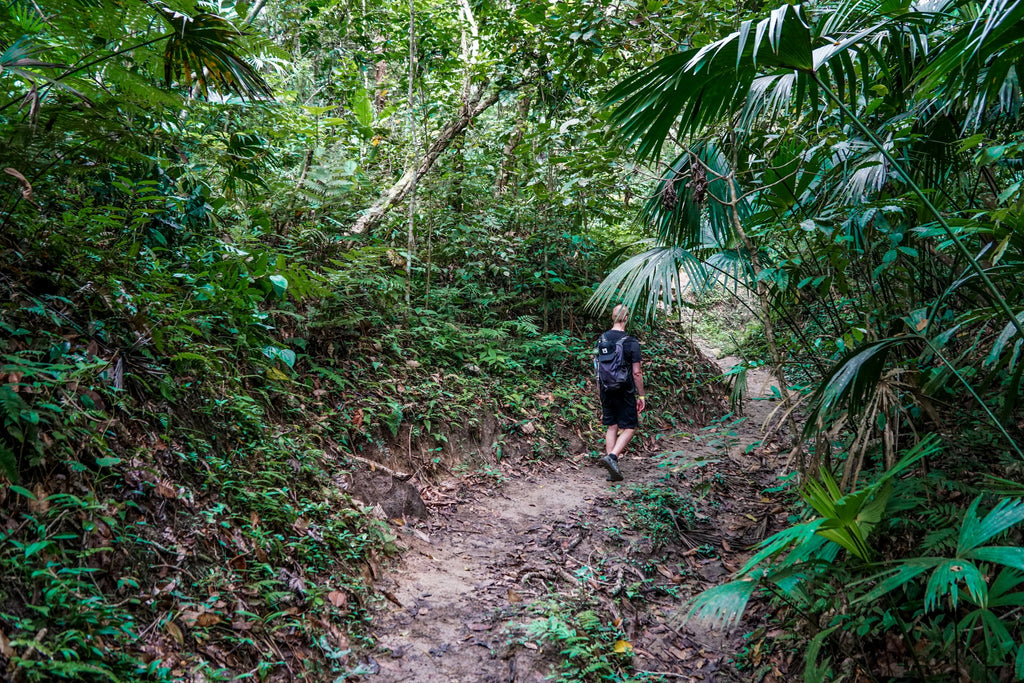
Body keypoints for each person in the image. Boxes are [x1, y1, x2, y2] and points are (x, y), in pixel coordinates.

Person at [595, 305, 646, 482]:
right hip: (625, 390)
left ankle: (612, 470)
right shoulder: (630, 341)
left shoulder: (601, 340)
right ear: (626, 319)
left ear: (613, 317)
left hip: (606, 389)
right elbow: (637, 372)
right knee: (630, 426)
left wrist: (600, 392)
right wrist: (641, 395)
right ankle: (613, 457)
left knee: (612, 426)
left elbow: (598, 369)